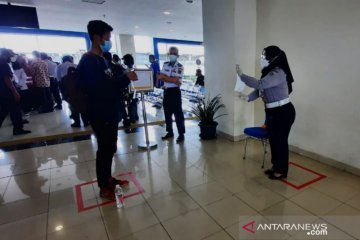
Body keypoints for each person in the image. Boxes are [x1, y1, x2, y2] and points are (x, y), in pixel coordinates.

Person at [77, 20, 138, 200]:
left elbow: (110, 81)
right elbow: (101, 89)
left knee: (110, 147)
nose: (108, 41)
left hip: (110, 111)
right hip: (100, 111)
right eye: (107, 37)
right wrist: (126, 78)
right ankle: (104, 186)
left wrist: (123, 76)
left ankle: (107, 178)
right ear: (96, 37)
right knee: (104, 148)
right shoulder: (89, 62)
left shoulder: (102, 60)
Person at [236, 45, 296, 180]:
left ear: (274, 58)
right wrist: (248, 98)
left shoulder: (279, 72)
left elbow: (260, 84)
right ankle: (276, 166)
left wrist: (242, 76)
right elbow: (261, 90)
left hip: (283, 112)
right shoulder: (269, 73)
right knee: (274, 140)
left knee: (280, 141)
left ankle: (281, 170)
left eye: (265, 56)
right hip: (272, 112)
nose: (262, 58)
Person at [158, 46, 185, 143]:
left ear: (177, 55)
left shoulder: (180, 66)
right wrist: (172, 79)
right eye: (171, 53)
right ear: (168, 54)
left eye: (174, 53)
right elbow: (160, 77)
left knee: (178, 114)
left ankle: (181, 134)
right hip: (167, 92)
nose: (172, 55)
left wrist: (166, 77)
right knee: (167, 113)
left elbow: (176, 81)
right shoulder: (165, 64)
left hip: (175, 92)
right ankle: (170, 132)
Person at [0, 48, 31, 135]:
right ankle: (18, 129)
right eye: (10, 56)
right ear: (4, 55)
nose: (11, 58)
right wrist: (15, 92)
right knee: (15, 110)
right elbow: (7, 79)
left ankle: (18, 128)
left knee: (4, 111)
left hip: (2, 92)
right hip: (8, 92)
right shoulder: (3, 64)